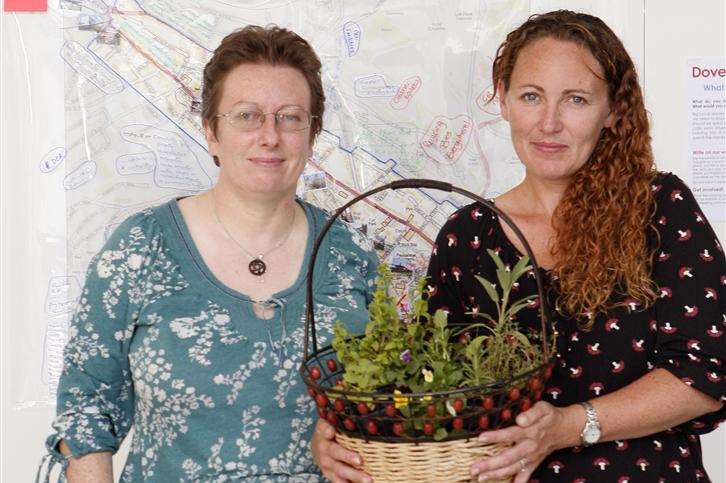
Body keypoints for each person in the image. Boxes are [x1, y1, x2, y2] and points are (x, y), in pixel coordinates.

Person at [38, 25, 377, 482]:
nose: (269, 136)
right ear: (211, 132)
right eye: (246, 116)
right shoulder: (141, 248)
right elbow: (87, 410)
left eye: (291, 117)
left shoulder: (351, 255)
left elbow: (393, 406)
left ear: (312, 134)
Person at [425, 10, 725, 483]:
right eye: (531, 96)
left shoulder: (659, 210)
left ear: (613, 110)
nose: (549, 123)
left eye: (576, 100)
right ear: (502, 100)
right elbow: (430, 389)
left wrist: (567, 425)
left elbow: (706, 375)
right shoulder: (467, 237)